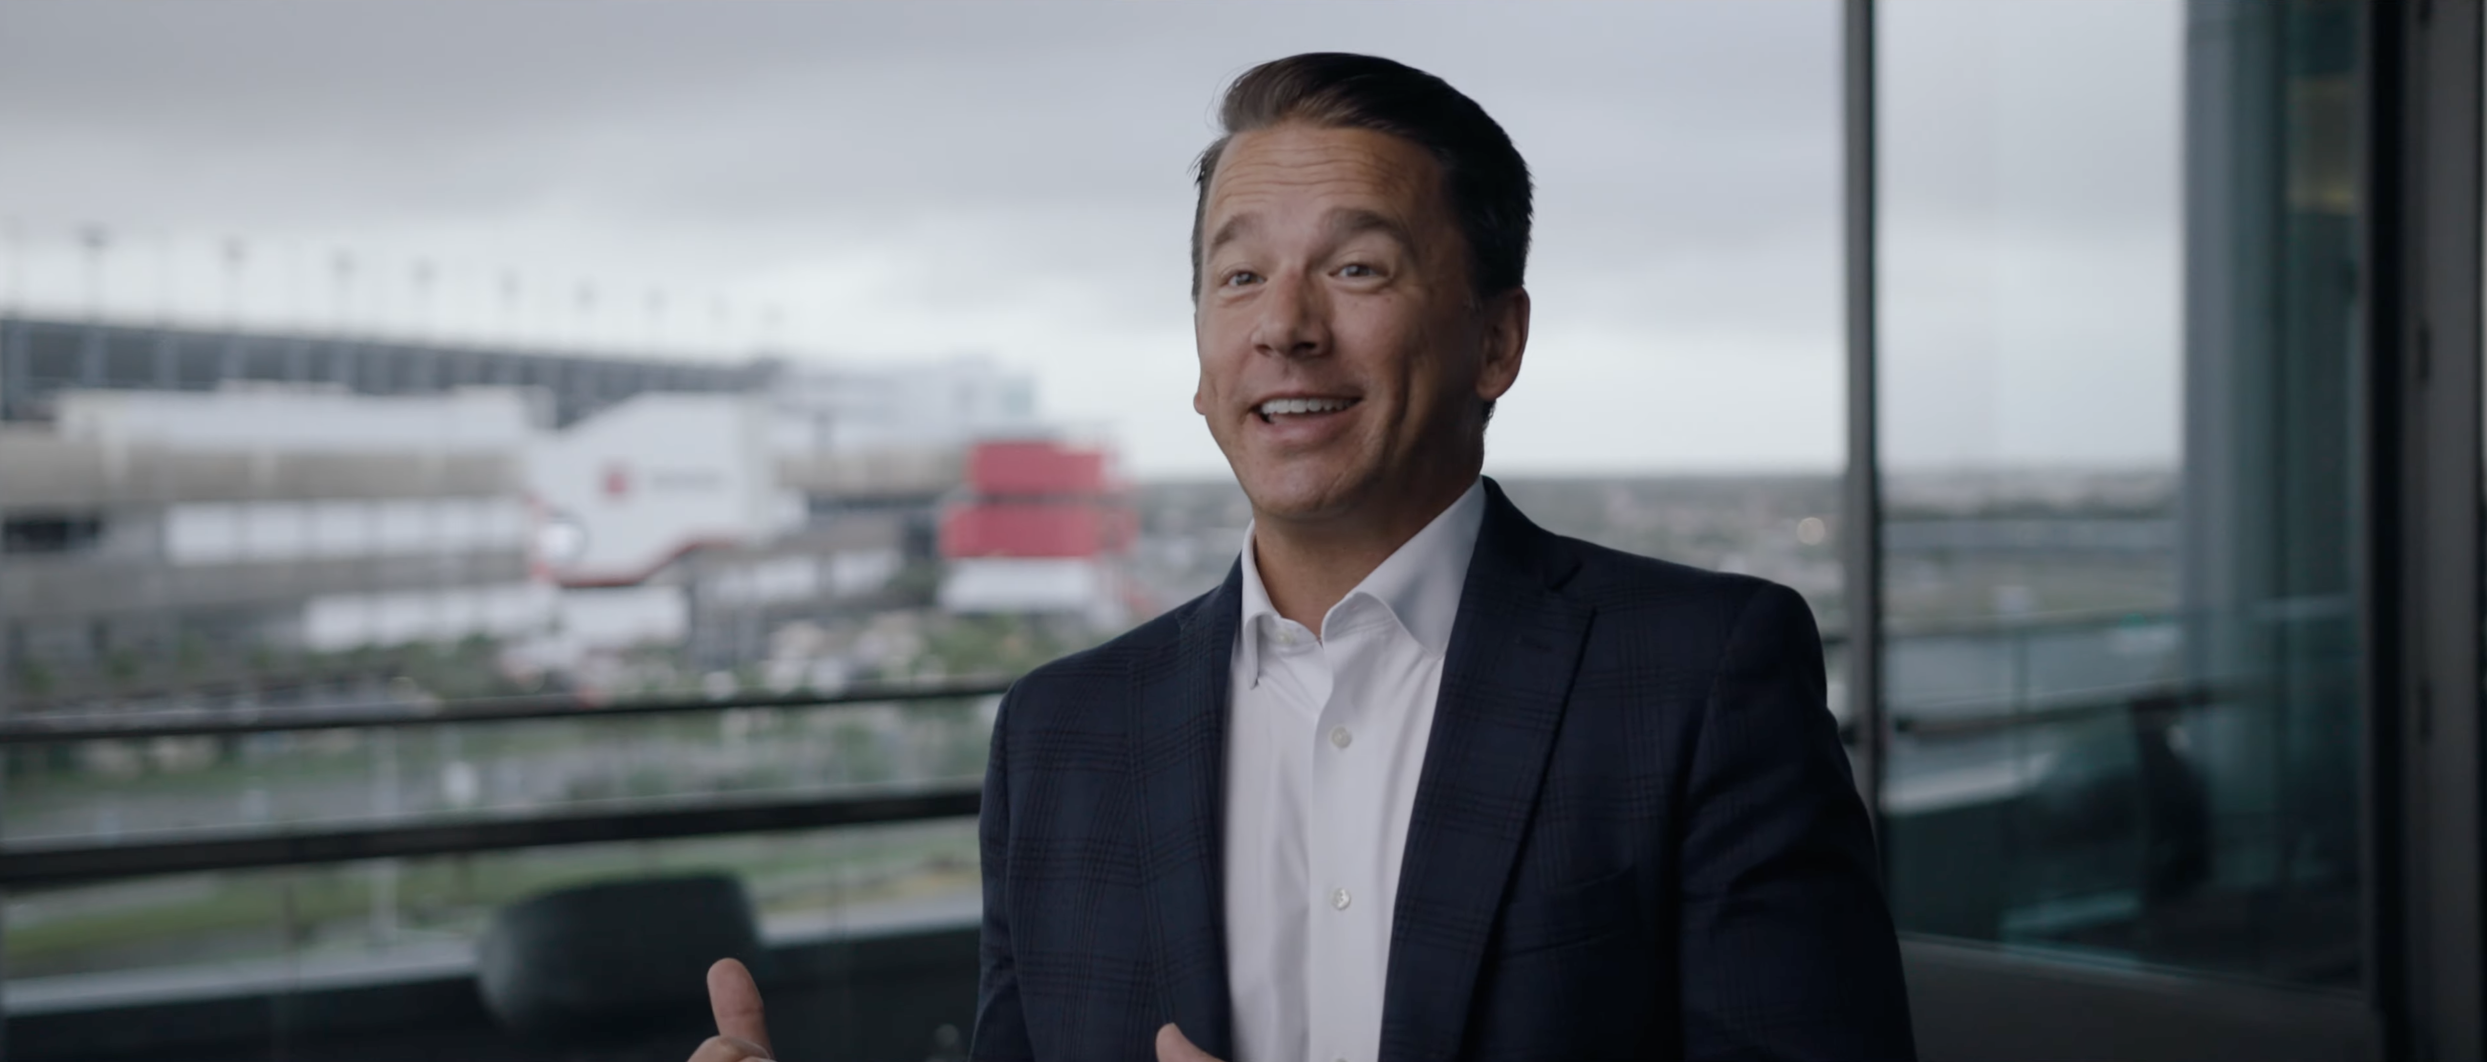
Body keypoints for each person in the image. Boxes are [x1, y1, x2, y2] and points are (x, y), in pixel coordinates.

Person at [690, 51, 1913, 1062]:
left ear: (1496, 341)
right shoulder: (1061, 736)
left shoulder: (1696, 681)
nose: (1284, 325)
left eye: (1355, 267)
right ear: (1201, 357)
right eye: (1237, 276)